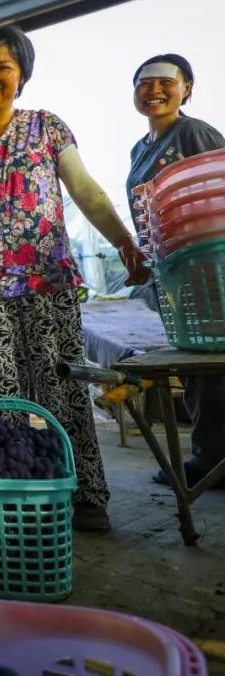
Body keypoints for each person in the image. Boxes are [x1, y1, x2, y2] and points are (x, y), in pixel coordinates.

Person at [0, 25, 151, 533]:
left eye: (4, 67)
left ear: (22, 76)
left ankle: (86, 495)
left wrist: (124, 240)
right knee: (2, 401)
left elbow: (86, 191)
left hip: (46, 284)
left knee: (63, 393)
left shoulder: (46, 128)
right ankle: (19, 496)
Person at [125, 53, 225, 488]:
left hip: (208, 263)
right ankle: (210, 455)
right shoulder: (139, 149)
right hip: (173, 268)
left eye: (166, 81)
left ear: (187, 89)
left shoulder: (194, 132)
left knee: (212, 361)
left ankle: (211, 461)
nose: (154, 90)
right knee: (193, 360)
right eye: (144, 83)